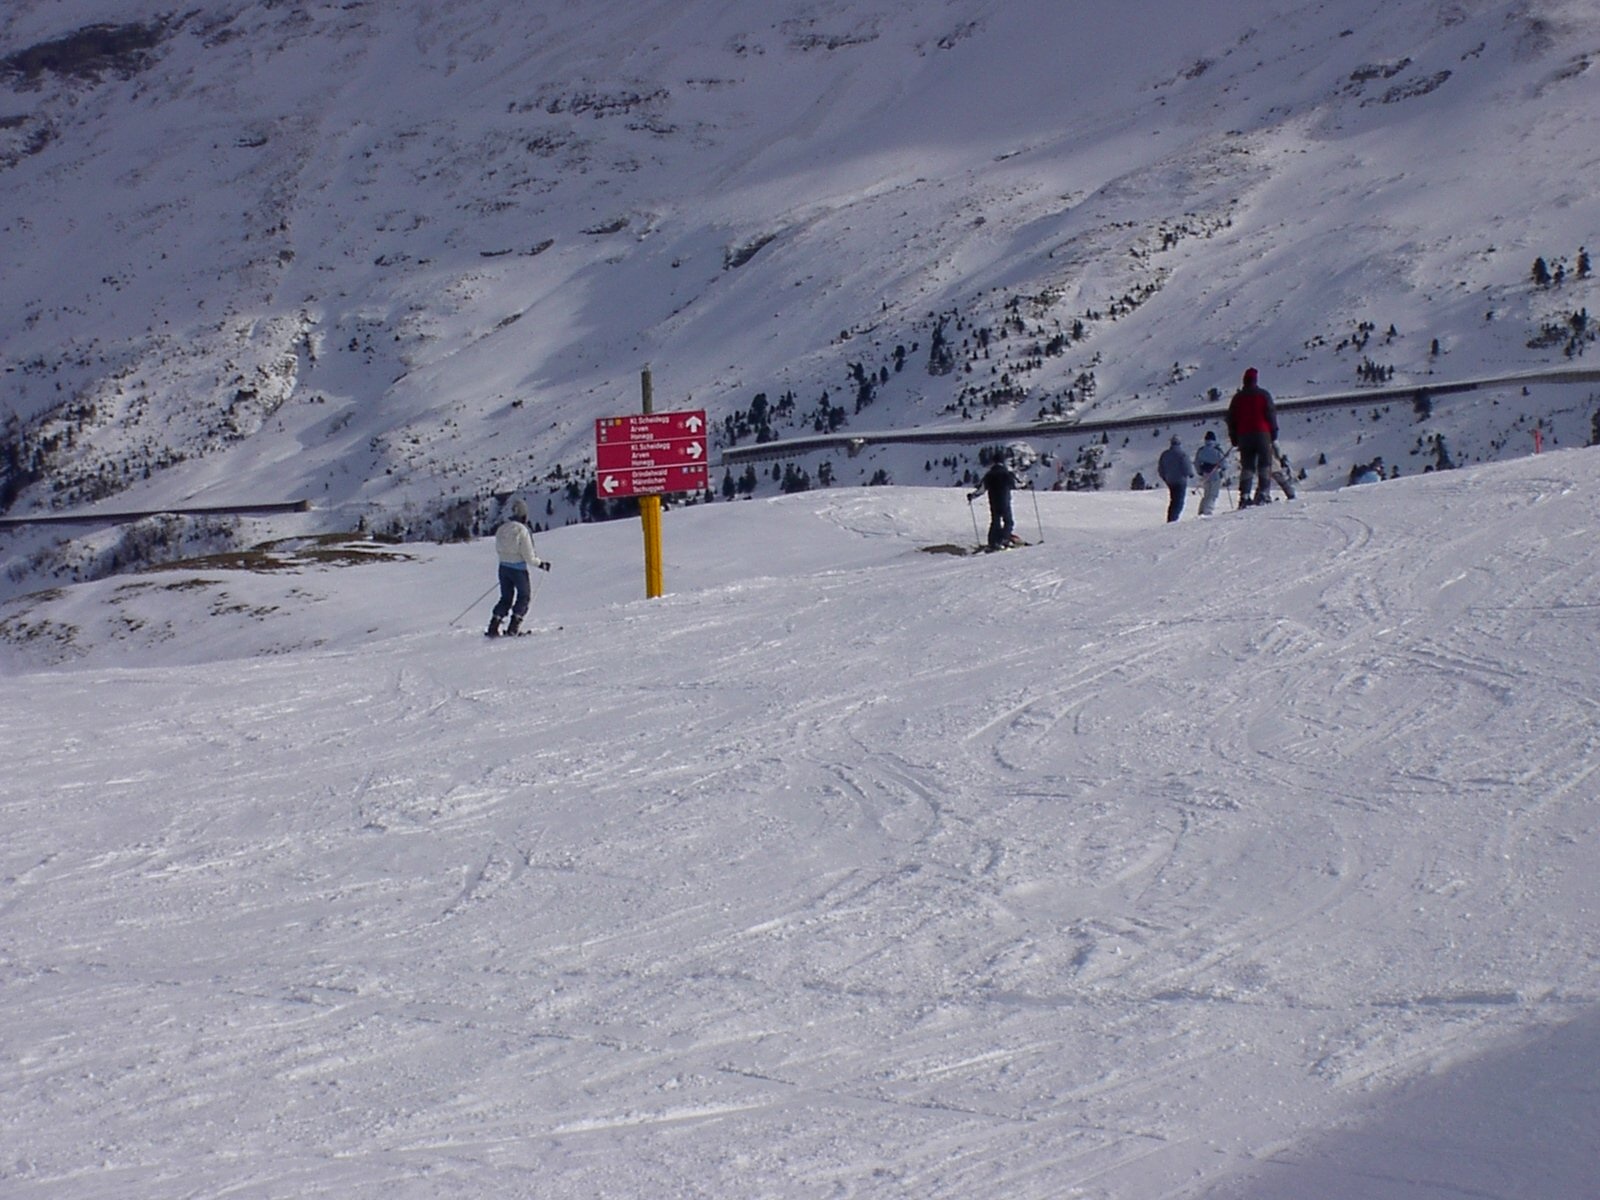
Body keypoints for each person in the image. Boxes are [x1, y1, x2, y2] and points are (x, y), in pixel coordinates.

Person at [487, 498, 550, 637]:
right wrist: (541, 564)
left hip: (503, 568)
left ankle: (494, 625)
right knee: (523, 597)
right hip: (518, 569)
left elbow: (498, 548)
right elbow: (529, 555)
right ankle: (513, 627)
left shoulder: (502, 528)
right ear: (524, 515)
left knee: (506, 598)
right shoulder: (522, 530)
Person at [1225, 367, 1278, 508]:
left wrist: (1234, 437)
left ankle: (1244, 496)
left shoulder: (1237, 398)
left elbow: (1231, 419)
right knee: (1265, 464)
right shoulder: (1263, 395)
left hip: (1244, 435)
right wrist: (1274, 433)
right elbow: (1270, 414)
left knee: (1247, 466)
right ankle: (1263, 493)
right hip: (1262, 433)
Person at [968, 459, 1025, 550]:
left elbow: (981, 489)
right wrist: (1027, 485)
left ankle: (993, 542)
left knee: (995, 522)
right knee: (1008, 521)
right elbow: (1017, 485)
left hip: (994, 502)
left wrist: (972, 496)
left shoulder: (989, 475)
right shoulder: (1007, 474)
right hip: (1005, 501)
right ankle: (1004, 539)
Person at [1156, 435, 1193, 522]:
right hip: (1180, 481)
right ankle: (1173, 519)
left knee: (1173, 499)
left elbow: (1160, 469)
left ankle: (1171, 517)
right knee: (1179, 501)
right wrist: (1190, 474)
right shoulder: (1182, 454)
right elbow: (1186, 467)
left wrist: (1165, 478)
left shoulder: (1165, 454)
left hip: (1170, 480)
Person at [1194, 431, 1227, 515]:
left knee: (1207, 493)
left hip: (1205, 474)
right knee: (1213, 494)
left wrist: (1200, 472)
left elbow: (1197, 462)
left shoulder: (1201, 450)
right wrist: (1223, 471)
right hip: (1215, 474)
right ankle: (1208, 511)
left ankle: (1201, 510)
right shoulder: (1217, 450)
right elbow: (1224, 463)